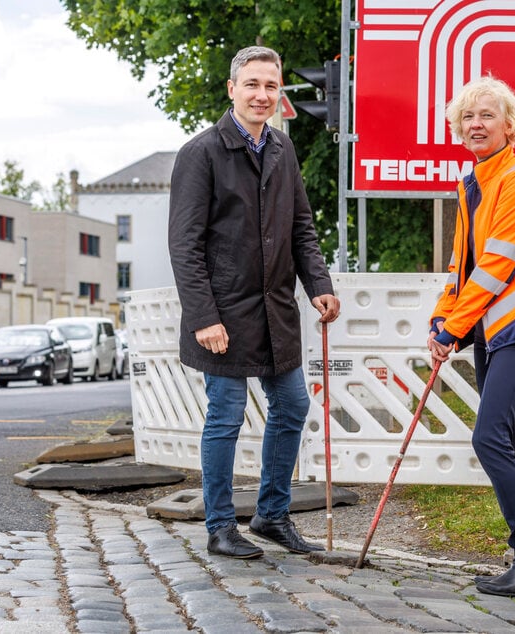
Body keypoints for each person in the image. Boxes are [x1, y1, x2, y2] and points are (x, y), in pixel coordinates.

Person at [168, 45, 340, 560]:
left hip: (275, 310)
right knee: (226, 415)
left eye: (271, 85)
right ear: (232, 90)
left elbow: (301, 228)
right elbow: (184, 244)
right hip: (221, 315)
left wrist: (320, 285)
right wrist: (203, 317)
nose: (262, 94)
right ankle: (220, 526)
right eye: (252, 85)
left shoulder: (283, 152)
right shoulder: (200, 153)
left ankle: (271, 514)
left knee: (292, 404)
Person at [427, 76, 515, 596]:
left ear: (511, 126)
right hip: (495, 329)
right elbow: (461, 268)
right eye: (467, 117)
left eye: (487, 115)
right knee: (513, 440)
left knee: (489, 438)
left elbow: (497, 264)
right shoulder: (475, 183)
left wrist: (456, 327)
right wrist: (442, 323)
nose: (476, 124)